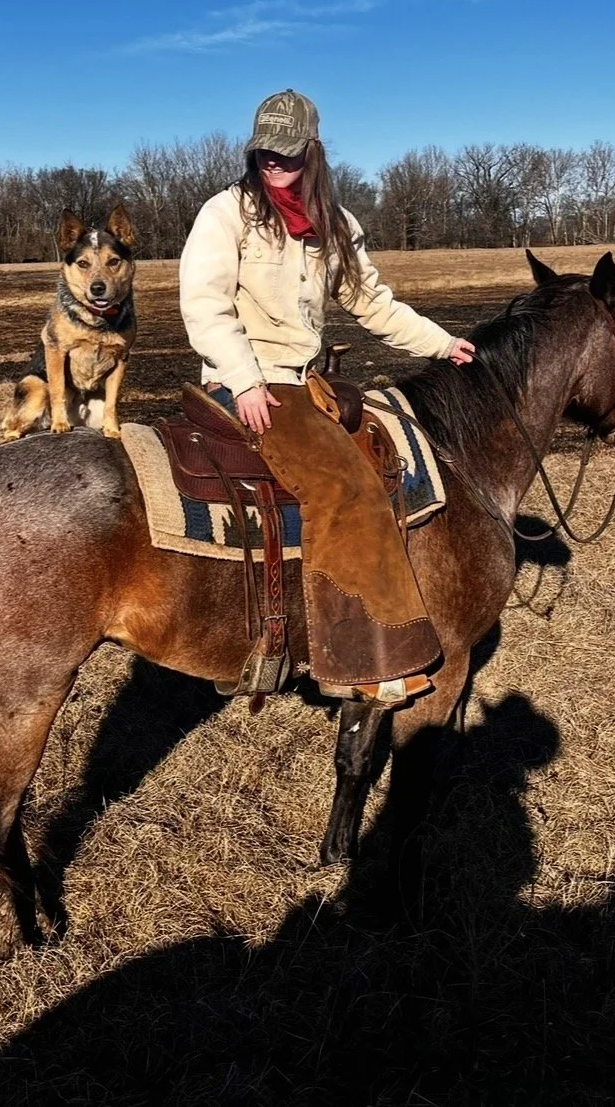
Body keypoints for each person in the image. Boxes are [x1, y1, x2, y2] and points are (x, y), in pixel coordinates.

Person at [179, 89, 475, 705]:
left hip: (308, 383)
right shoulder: (225, 213)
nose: (273, 166)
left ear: (312, 153)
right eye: (263, 154)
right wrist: (244, 377)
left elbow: (373, 303)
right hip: (253, 380)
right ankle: (366, 659)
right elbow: (204, 304)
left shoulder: (336, 227)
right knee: (345, 486)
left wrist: (442, 344)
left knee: (388, 454)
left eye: (285, 156)